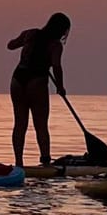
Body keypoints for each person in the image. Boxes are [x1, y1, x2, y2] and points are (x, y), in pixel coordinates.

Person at [7, 13, 70, 167]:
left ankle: (19, 163)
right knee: (41, 124)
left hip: (18, 79)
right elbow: (56, 66)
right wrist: (60, 87)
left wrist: (23, 41)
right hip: (37, 81)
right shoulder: (55, 45)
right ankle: (45, 161)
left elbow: (11, 45)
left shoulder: (30, 33)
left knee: (20, 123)